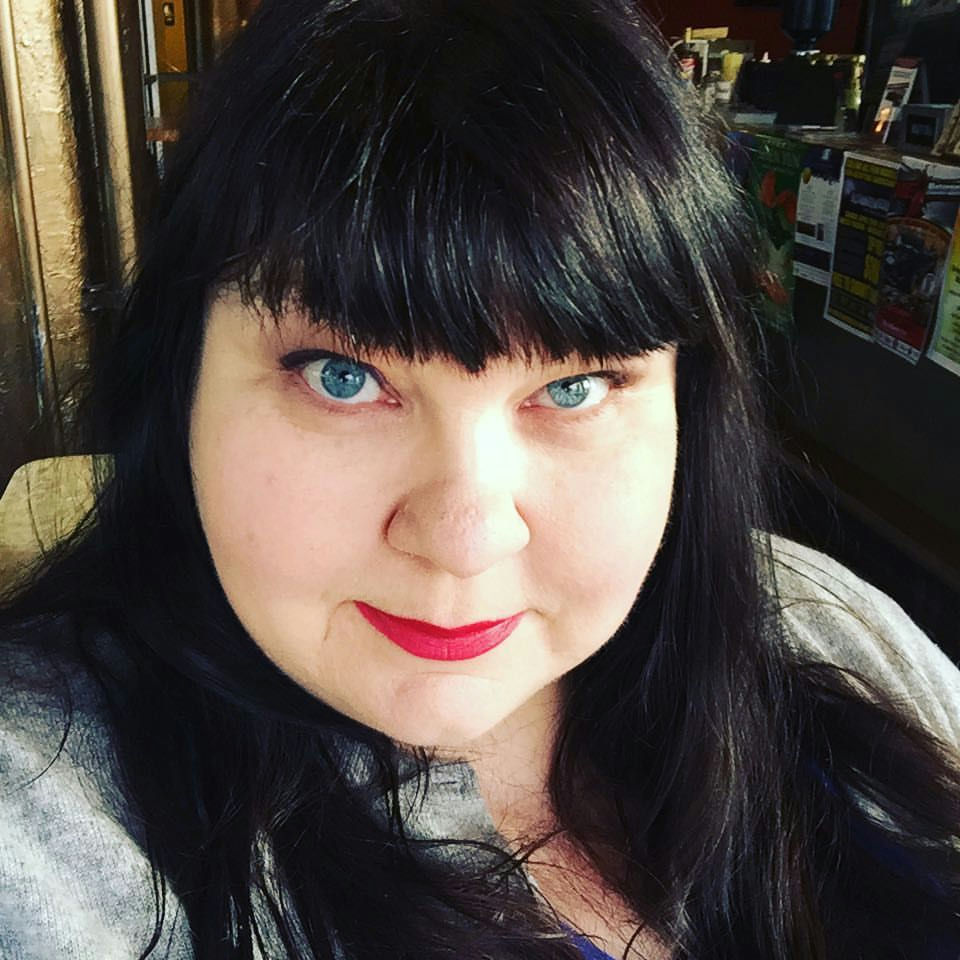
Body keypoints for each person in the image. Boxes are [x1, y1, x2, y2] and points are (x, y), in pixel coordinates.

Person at [1, 1, 959, 957]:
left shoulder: (820, 625)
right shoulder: (44, 814)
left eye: (574, 387)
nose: (465, 539)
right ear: (182, 381)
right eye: (343, 377)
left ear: (687, 405)